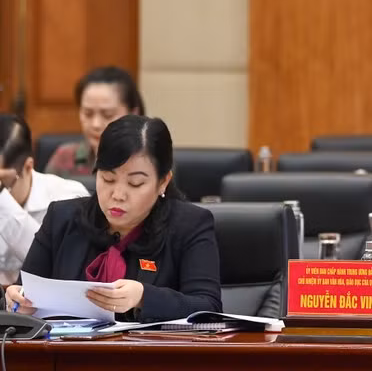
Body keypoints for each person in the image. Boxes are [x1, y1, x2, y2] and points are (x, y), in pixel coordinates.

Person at [6, 115, 222, 322]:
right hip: (67, 355)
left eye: (135, 183)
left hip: (152, 358)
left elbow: (208, 307)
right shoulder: (62, 219)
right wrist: (16, 299)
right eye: (108, 179)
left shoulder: (190, 225)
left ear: (163, 181)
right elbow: (25, 290)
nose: (117, 194)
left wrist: (144, 297)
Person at [0, 114, 89, 287]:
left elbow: (59, 268)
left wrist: (3, 199)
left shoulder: (69, 197)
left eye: (2, 181)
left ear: (28, 166)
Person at [45, 66, 145, 178]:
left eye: (108, 115)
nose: (95, 124)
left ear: (133, 113)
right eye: (88, 113)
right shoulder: (64, 158)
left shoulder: (149, 161)